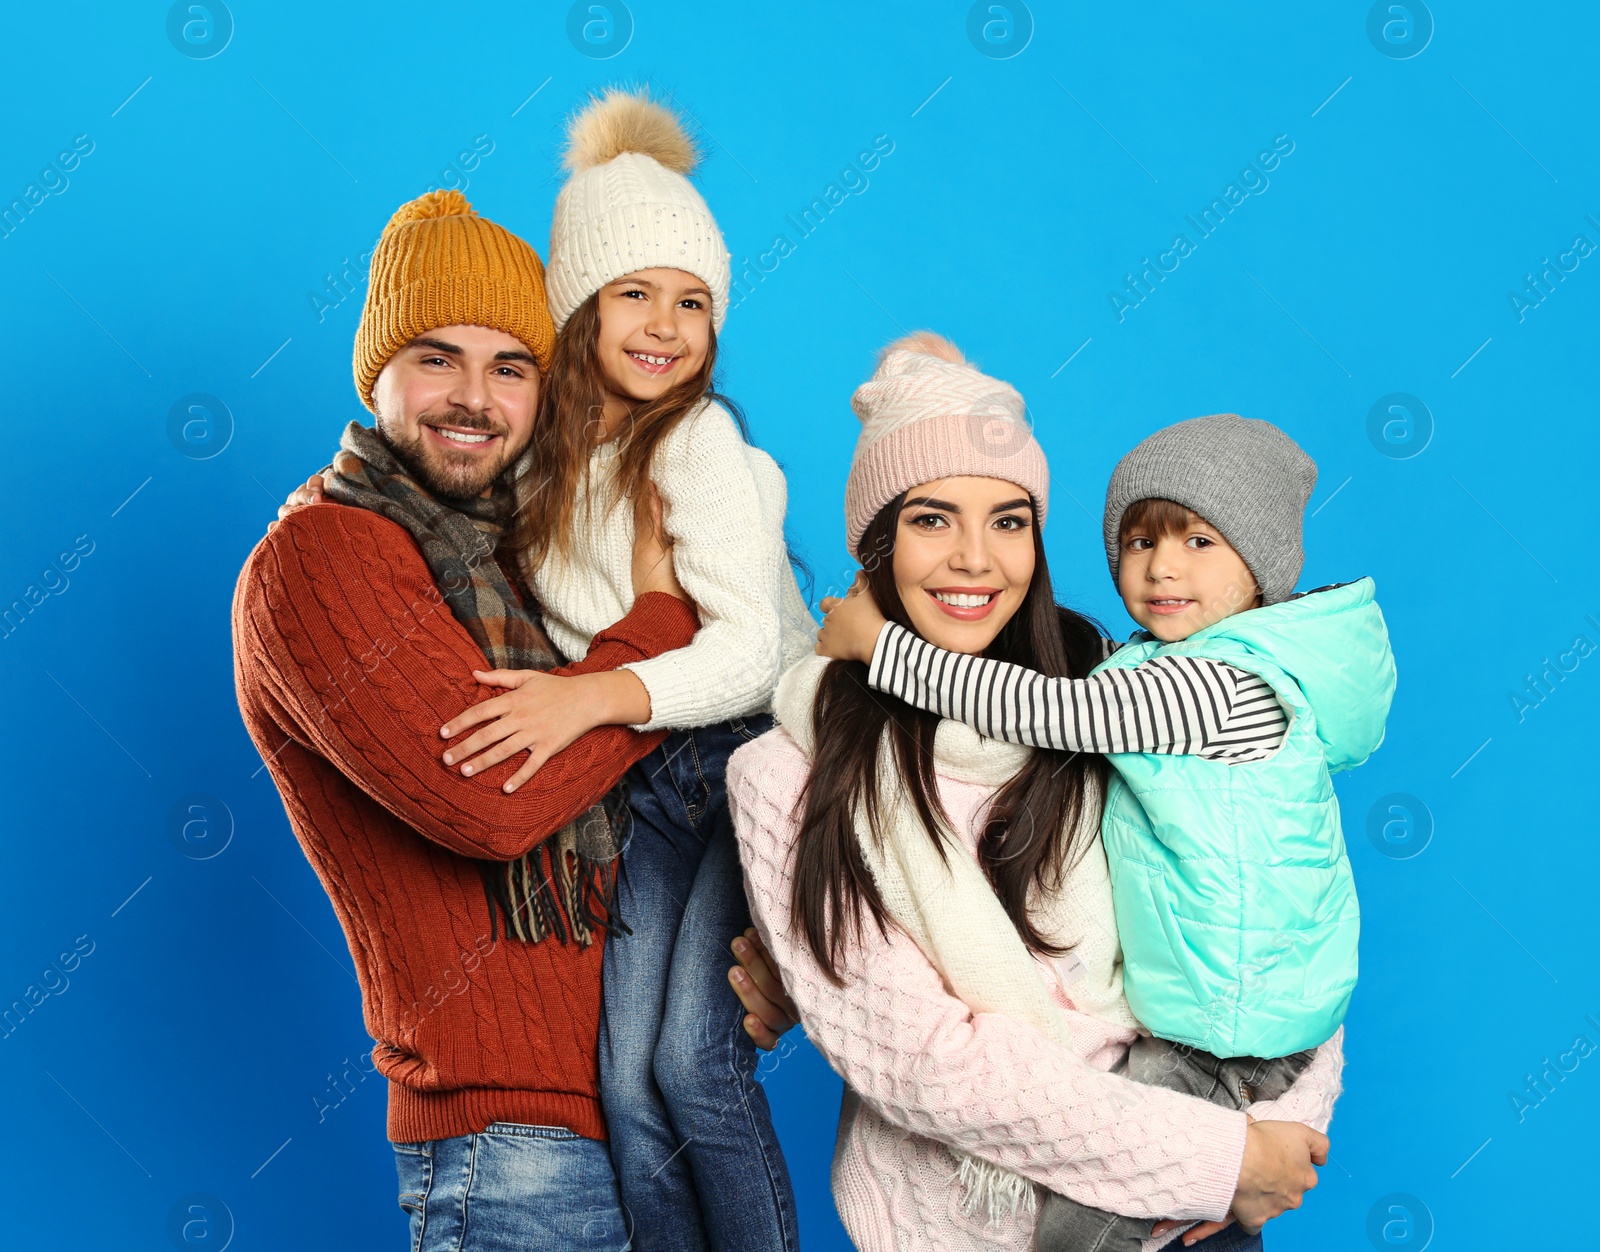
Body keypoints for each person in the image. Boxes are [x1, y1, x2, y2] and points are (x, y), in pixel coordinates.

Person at [277, 92, 809, 1252]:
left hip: (617, 1116)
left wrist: (746, 964)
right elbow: (496, 794)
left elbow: (670, 750)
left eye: (507, 366)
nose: (474, 396)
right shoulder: (331, 554)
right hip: (510, 1148)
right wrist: (664, 606)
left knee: (691, 1069)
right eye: (436, 359)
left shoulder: (516, 533)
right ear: (377, 375)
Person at [728, 334, 1341, 1251]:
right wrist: (1221, 1156)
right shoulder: (786, 775)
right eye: (933, 520)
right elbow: (927, 1067)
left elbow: (1272, 900)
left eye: (1009, 521)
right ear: (878, 543)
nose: (976, 560)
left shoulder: (1112, 698)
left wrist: (1288, 1123)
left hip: (1192, 1224)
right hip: (973, 1227)